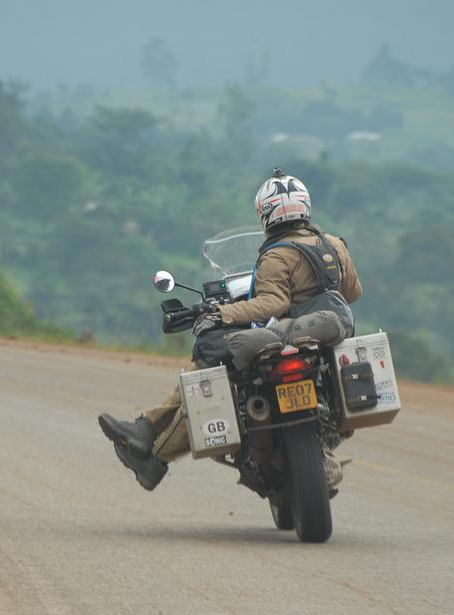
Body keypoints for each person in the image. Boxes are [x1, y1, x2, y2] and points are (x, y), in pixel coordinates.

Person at [99, 169, 363, 490]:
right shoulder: (334, 245)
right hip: (332, 331)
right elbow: (352, 293)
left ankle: (150, 438)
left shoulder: (277, 254)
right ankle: (149, 438)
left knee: (218, 363)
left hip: (289, 332)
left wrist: (220, 314)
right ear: (304, 206)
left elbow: (271, 304)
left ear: (265, 213)